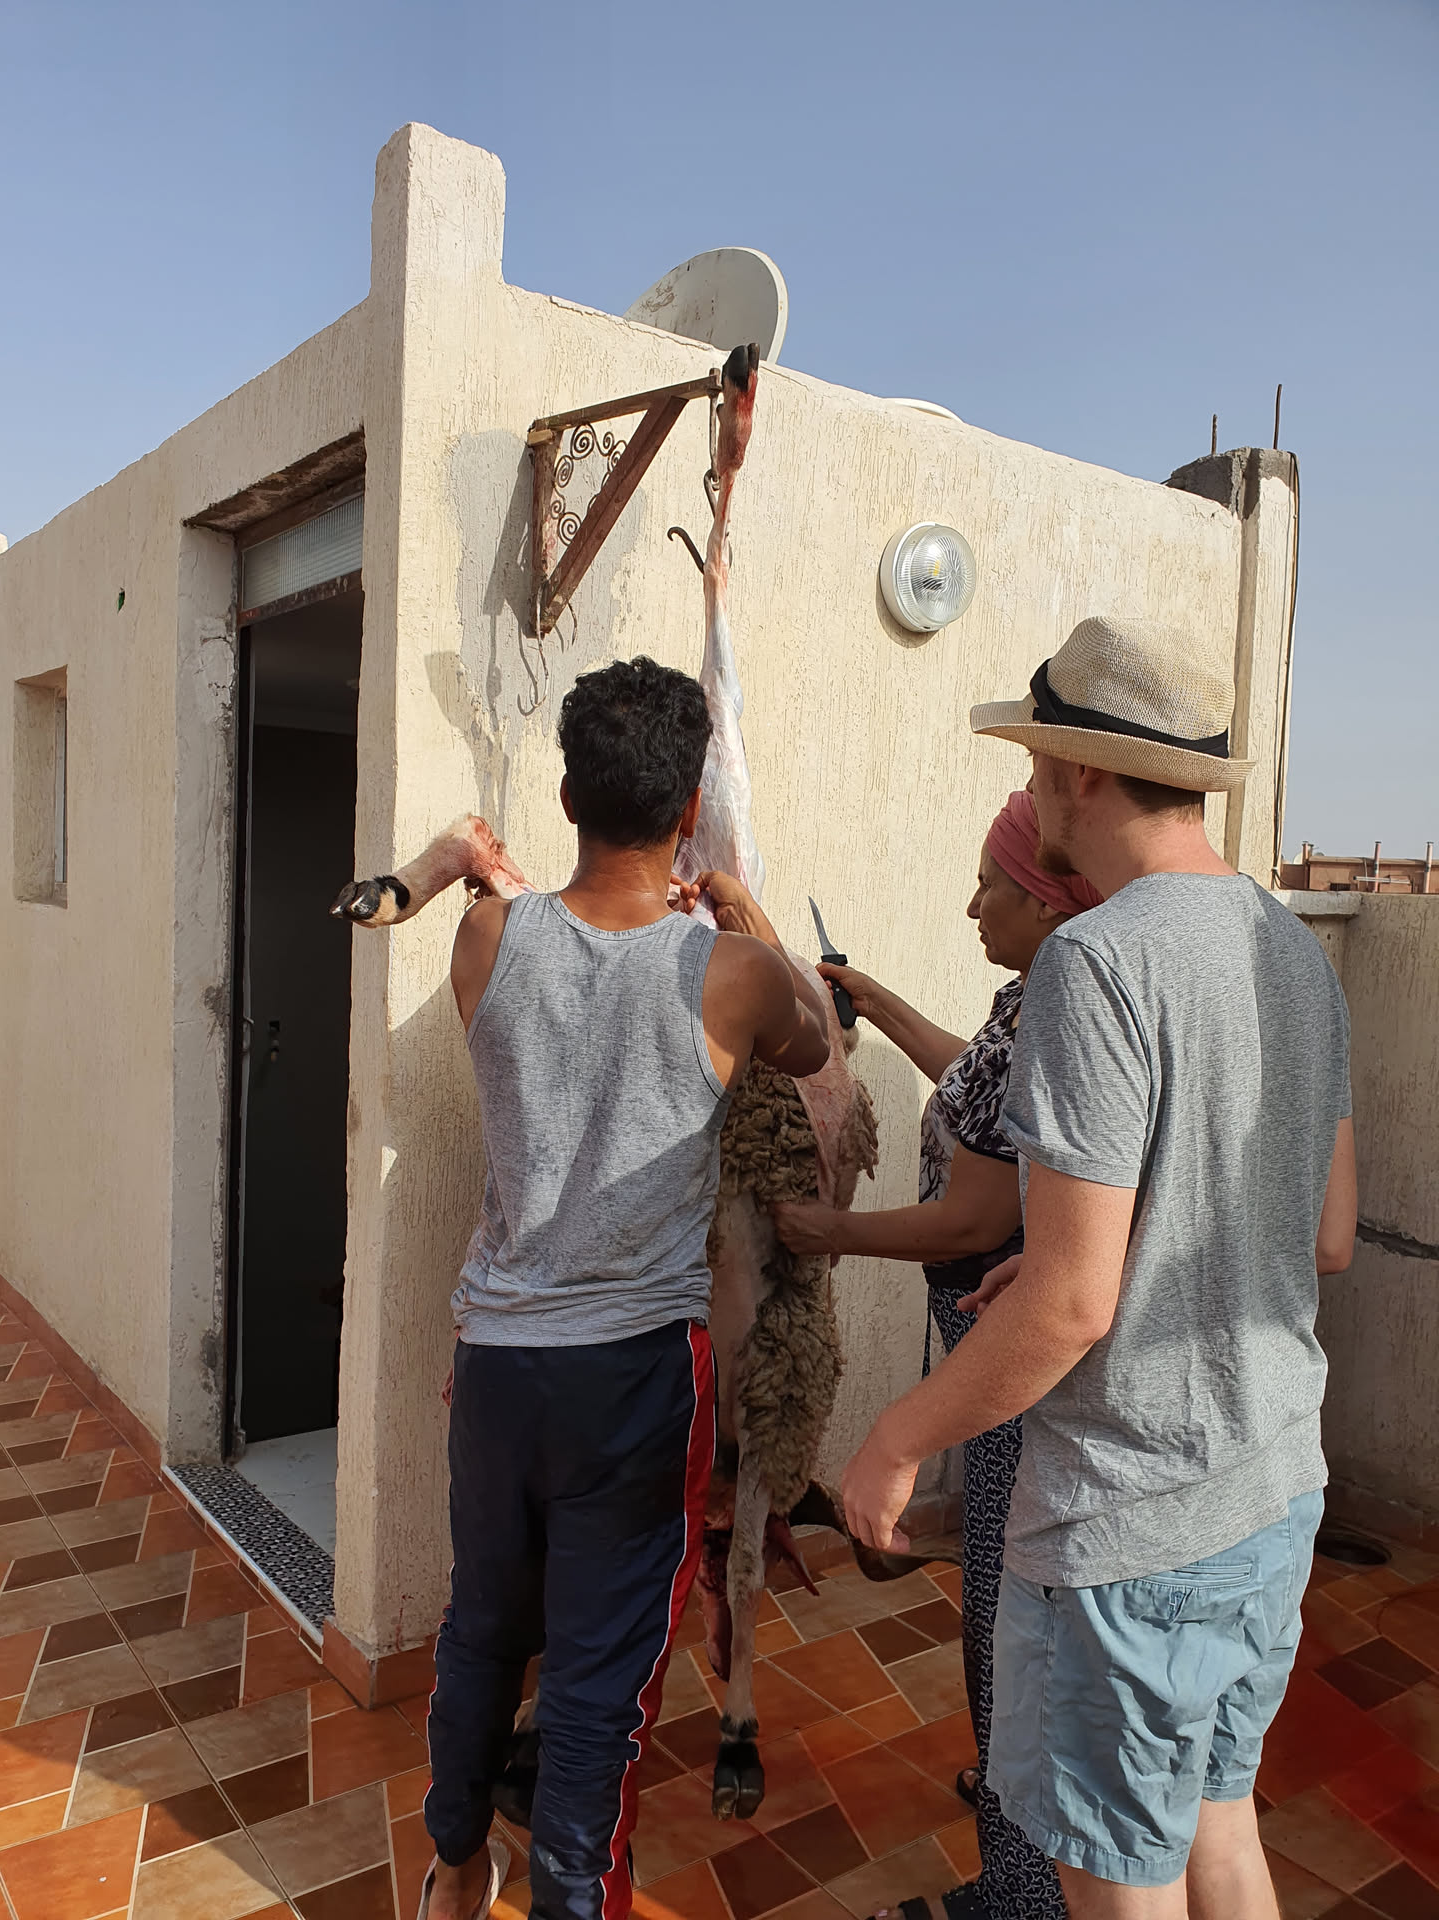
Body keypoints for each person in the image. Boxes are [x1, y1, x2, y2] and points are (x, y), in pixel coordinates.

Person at [841, 616, 1356, 1920]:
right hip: (1273, 1488)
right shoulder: (1293, 951)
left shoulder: (1096, 959)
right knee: (1221, 1839)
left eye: (1032, 764)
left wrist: (898, 1440)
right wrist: (1100, 1260)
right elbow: (1322, 1235)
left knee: (1124, 1886)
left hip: (1135, 1532)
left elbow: (1076, 1304)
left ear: (1079, 772)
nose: (1028, 790)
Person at [421, 656, 830, 1920]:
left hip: (499, 1363)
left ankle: (453, 1868)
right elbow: (816, 1040)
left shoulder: (489, 935)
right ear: (691, 807)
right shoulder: (730, 974)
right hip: (637, 1377)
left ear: (566, 795)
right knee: (601, 1681)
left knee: (483, 1627)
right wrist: (739, 904)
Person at [773, 789, 1100, 1919]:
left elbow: (973, 1217)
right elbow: (979, 1086)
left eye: (989, 887)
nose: (971, 905)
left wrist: (831, 1232)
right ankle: (1014, 1797)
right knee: (1007, 1603)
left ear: (1047, 902)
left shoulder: (1062, 1010)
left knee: (1005, 1613)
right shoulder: (1033, 999)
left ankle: (1019, 1885)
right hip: (995, 1351)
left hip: (1007, 1360)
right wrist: (879, 1002)